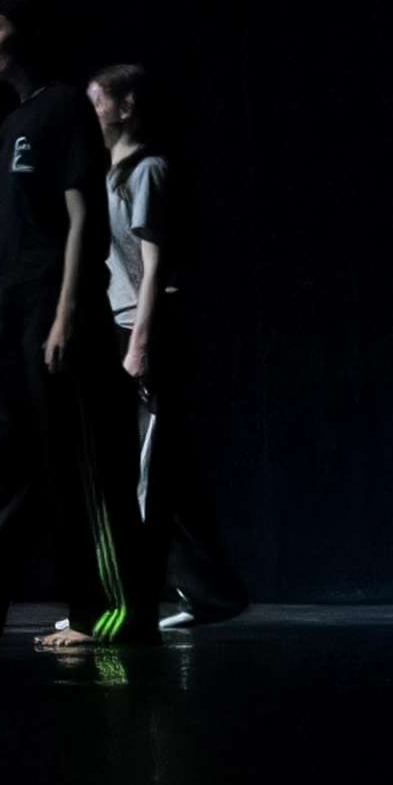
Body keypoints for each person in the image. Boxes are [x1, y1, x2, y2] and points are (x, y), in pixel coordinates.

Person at [0, 0, 151, 648]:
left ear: (29, 33)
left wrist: (67, 313)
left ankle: (111, 614)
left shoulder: (65, 107)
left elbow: (82, 219)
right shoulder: (12, 121)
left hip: (54, 311)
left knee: (80, 464)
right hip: (7, 316)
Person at [92, 64, 245, 627]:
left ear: (126, 106)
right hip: (118, 324)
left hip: (147, 327)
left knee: (149, 473)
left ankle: (133, 598)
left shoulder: (148, 171)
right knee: (150, 473)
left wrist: (140, 344)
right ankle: (206, 592)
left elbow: (155, 269)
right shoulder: (107, 174)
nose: (91, 113)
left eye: (97, 102)